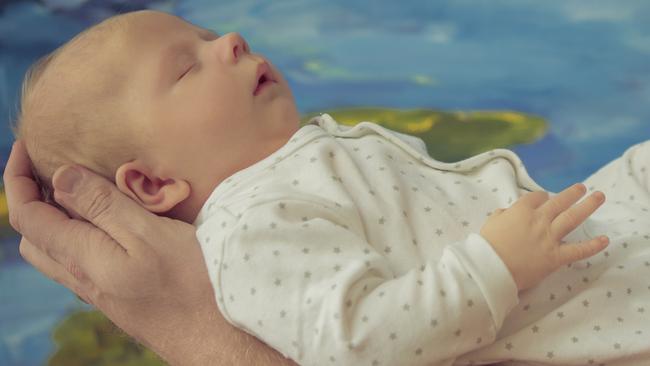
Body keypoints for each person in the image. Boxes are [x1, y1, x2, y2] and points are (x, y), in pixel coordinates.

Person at [7, 8, 650, 366]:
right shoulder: (252, 229)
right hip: (579, 312)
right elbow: (358, 343)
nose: (229, 40)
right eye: (185, 68)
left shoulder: (291, 166)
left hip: (585, 240)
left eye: (205, 35)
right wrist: (494, 265)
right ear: (152, 183)